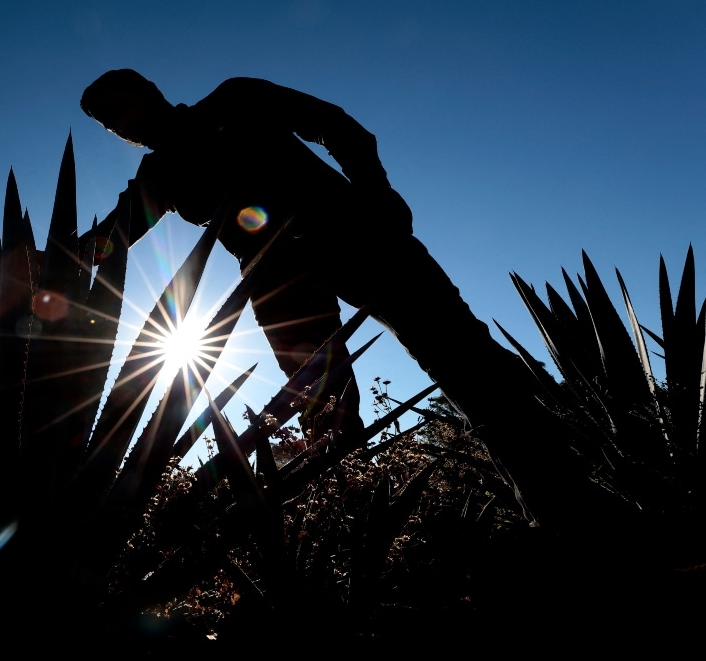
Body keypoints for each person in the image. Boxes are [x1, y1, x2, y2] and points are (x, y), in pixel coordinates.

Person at [80, 70, 582, 525]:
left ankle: (569, 502)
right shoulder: (159, 176)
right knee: (328, 418)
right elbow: (113, 236)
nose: (121, 125)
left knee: (469, 362)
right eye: (109, 123)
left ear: (149, 92)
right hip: (279, 286)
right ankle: (362, 546)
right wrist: (53, 260)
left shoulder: (236, 99)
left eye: (121, 108)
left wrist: (376, 192)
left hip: (362, 237)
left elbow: (337, 126)